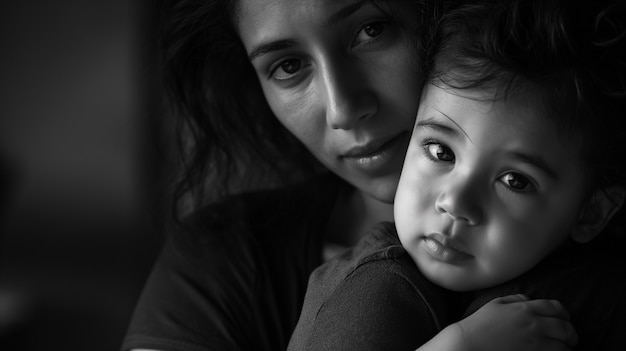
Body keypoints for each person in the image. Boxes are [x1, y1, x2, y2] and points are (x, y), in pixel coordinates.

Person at [287, 0, 626, 350]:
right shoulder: (373, 290)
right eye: (440, 152)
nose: (454, 202)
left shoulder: (589, 291)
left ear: (592, 212)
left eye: (515, 181)